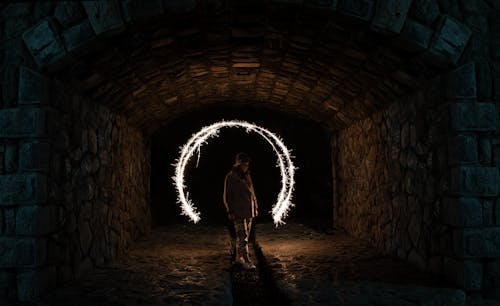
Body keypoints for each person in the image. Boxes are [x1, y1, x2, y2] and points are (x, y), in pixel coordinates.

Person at [223, 152, 258, 270]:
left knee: (244, 236)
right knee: (243, 237)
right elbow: (227, 196)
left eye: (247, 165)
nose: (246, 167)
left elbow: (252, 192)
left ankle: (239, 258)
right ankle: (247, 260)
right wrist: (230, 211)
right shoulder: (231, 177)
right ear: (239, 164)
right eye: (244, 165)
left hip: (249, 210)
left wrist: (255, 206)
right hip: (238, 211)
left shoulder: (247, 175)